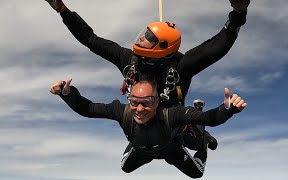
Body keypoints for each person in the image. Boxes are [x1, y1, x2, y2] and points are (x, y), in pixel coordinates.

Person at [44, 0, 250, 154]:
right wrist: (62, 9)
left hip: (175, 121)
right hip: (142, 120)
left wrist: (238, 13)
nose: (141, 38)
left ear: (162, 47)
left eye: (148, 37)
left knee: (194, 142)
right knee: (136, 151)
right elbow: (91, 40)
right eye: (144, 33)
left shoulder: (181, 66)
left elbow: (215, 48)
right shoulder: (129, 60)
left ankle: (204, 135)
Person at [50, 78, 247, 178]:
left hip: (171, 149)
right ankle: (136, 144)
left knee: (197, 174)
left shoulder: (172, 113)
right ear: (129, 100)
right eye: (135, 102)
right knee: (125, 168)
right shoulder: (122, 111)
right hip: (142, 150)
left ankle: (202, 140)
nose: (140, 109)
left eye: (147, 102)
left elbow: (207, 118)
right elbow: (88, 109)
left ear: (158, 101)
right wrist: (68, 94)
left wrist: (227, 109)